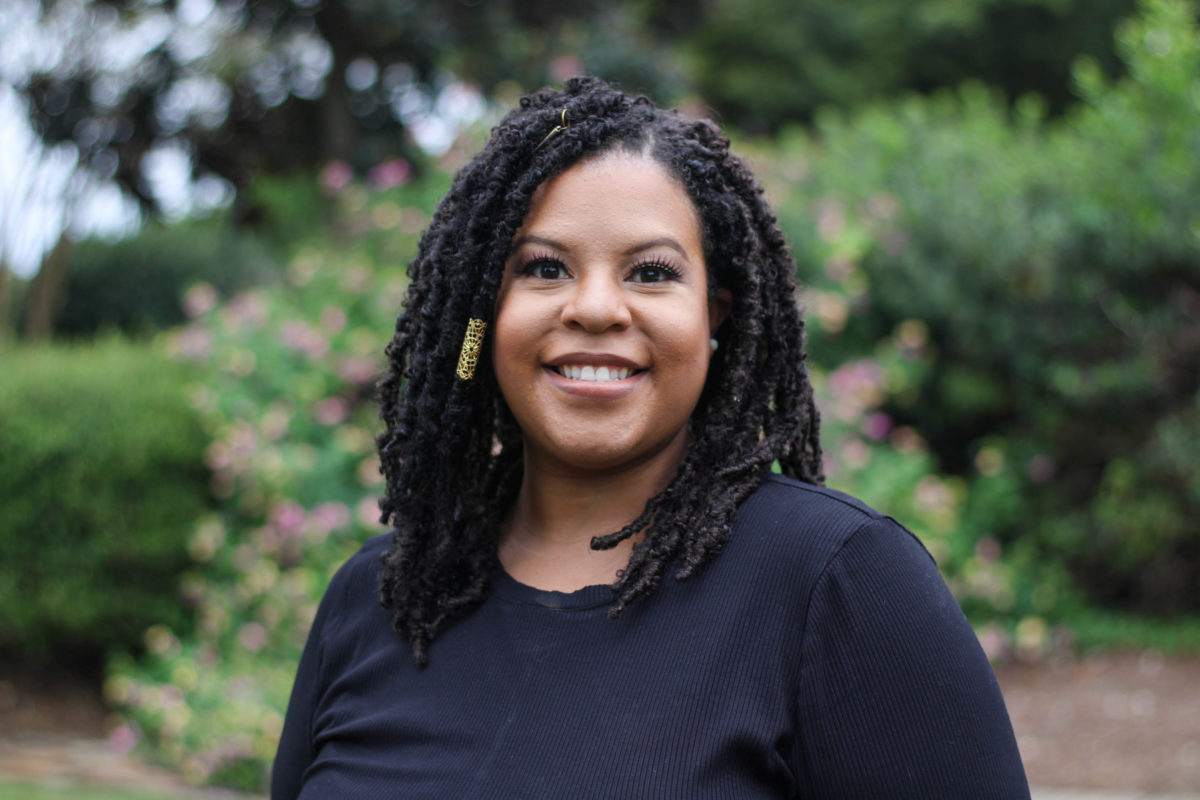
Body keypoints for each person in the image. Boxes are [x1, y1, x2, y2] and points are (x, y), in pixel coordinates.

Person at [271, 77, 1030, 799]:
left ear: (717, 317)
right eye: (543, 268)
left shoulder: (838, 584)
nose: (596, 307)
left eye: (651, 273)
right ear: (480, 321)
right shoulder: (376, 598)